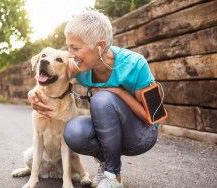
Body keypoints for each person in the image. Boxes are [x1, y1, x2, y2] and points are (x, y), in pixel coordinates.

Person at [28, 10, 158, 188]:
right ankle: (105, 166)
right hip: (110, 134)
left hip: (140, 136)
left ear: (100, 46)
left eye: (76, 48)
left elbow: (154, 116)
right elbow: (54, 77)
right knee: (73, 131)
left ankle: (114, 175)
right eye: (68, 47)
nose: (71, 55)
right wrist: (32, 93)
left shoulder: (136, 64)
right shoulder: (80, 68)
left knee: (102, 99)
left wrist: (117, 92)